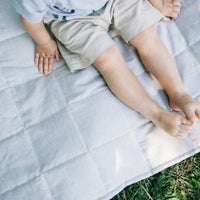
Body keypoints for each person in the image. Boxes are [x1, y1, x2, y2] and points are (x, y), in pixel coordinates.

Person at [13, 0, 200, 138]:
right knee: (107, 58)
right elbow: (30, 19)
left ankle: (178, 93)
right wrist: (45, 42)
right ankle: (155, 113)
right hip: (70, 19)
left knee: (146, 34)